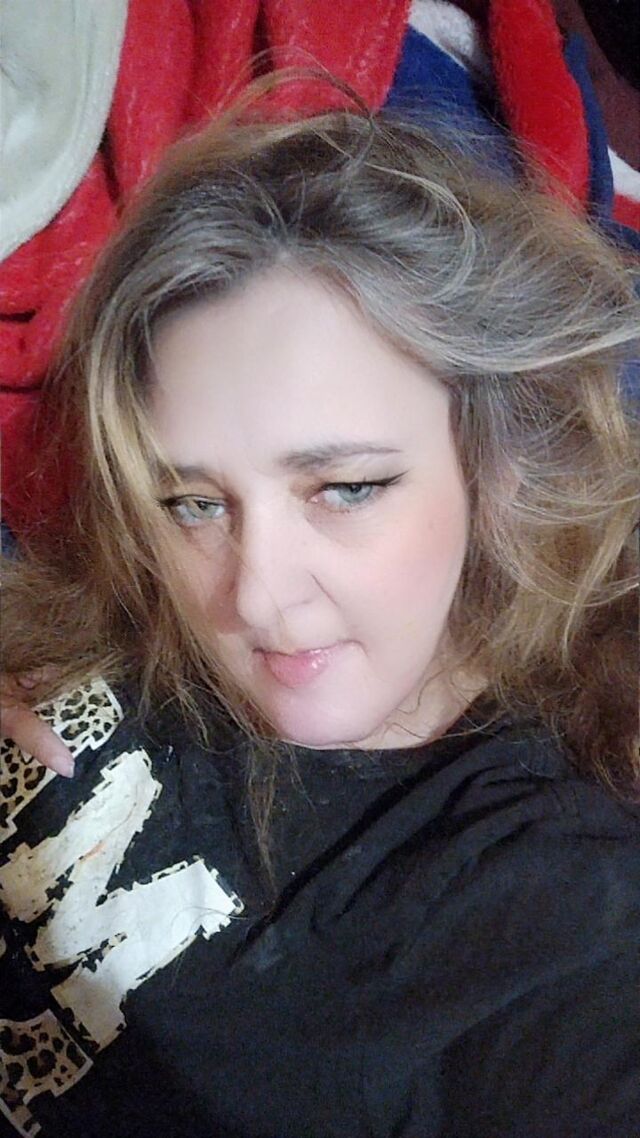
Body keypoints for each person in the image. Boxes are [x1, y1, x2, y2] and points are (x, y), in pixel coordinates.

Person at [1, 80, 639, 1138]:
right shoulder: (127, 607)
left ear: (497, 465)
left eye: (345, 489)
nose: (255, 595)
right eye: (196, 502)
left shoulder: (558, 915)